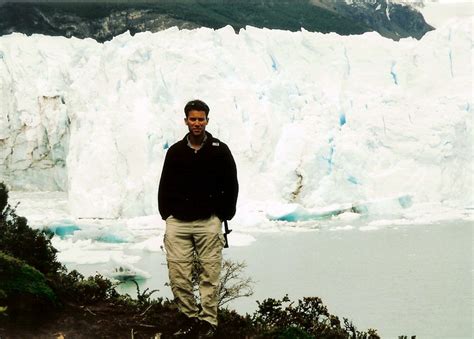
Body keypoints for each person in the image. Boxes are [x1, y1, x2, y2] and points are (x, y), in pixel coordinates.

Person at [158, 99, 238, 337]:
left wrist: (224, 214)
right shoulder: (175, 151)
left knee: (209, 275)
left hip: (208, 222)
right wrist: (167, 214)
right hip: (178, 223)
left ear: (207, 121)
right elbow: (165, 184)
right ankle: (189, 317)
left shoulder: (219, 150)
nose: (196, 123)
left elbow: (231, 184)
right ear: (186, 121)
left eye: (200, 119)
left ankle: (208, 322)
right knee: (178, 274)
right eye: (192, 119)